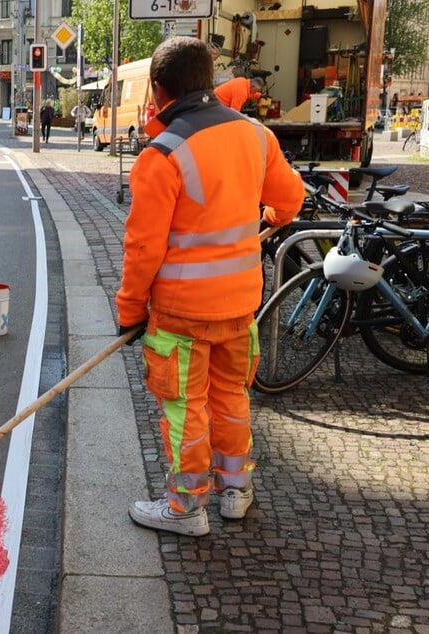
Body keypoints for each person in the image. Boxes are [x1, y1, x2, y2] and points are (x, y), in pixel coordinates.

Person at [115, 37, 304, 537]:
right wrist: (270, 216)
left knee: (184, 407)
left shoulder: (162, 155)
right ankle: (235, 491)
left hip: (182, 312)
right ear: (208, 80)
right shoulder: (256, 136)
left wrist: (130, 311)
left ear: (158, 91)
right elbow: (290, 200)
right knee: (231, 397)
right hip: (242, 303)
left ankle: (184, 507)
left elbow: (143, 250)